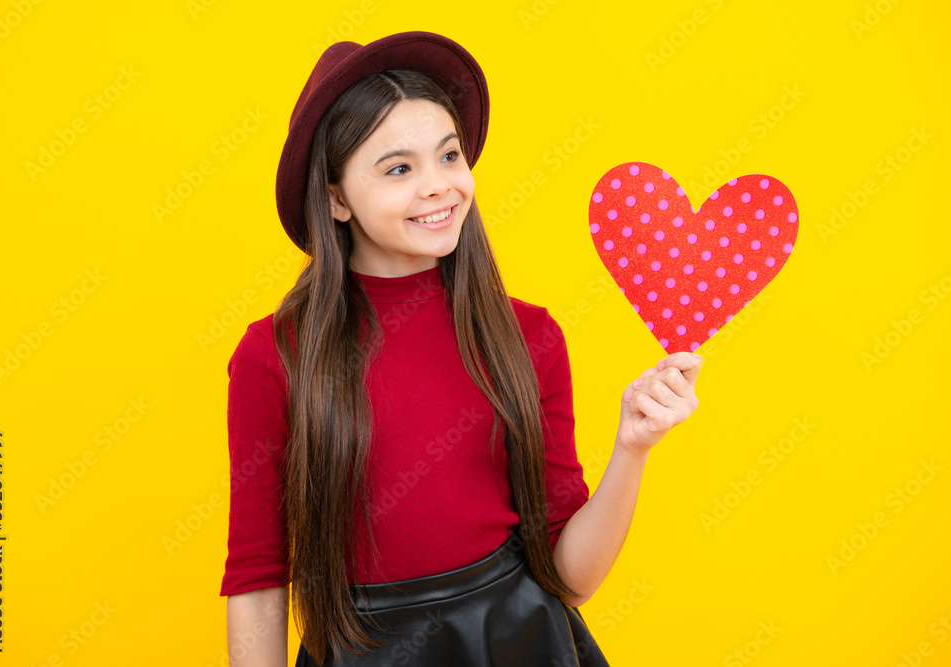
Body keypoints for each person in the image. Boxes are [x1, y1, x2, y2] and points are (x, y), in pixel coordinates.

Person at [220, 30, 702, 666]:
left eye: (449, 157)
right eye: (398, 168)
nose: (439, 186)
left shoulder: (528, 337)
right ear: (335, 198)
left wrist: (632, 448)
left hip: (522, 642)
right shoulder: (275, 355)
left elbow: (572, 577)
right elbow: (257, 574)